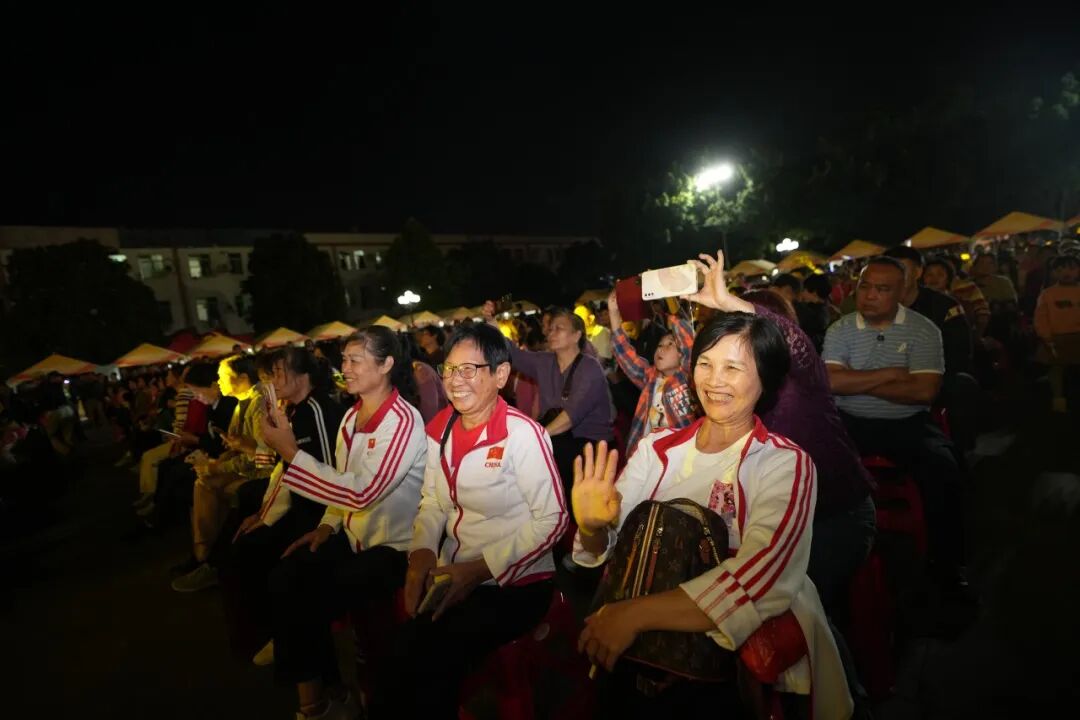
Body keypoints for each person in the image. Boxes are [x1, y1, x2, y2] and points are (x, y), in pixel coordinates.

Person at [571, 313, 851, 719]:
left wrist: (633, 614)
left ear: (766, 379)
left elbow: (762, 574)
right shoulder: (657, 449)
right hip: (641, 642)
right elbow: (602, 549)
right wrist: (590, 527)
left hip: (726, 657)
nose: (714, 380)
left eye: (733, 368)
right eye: (705, 363)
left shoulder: (783, 461)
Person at [375, 323, 567, 718]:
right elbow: (433, 502)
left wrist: (479, 569)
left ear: (500, 375)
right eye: (449, 369)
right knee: (400, 655)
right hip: (456, 574)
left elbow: (554, 519)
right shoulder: (439, 430)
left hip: (517, 583)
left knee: (436, 658)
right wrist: (422, 553)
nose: (454, 380)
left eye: (468, 370)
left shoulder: (523, 435)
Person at [689, 252, 875, 618]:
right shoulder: (728, 391)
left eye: (751, 334)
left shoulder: (802, 379)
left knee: (802, 612)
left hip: (833, 516)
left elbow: (795, 343)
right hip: (770, 524)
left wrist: (730, 302)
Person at [260, 327, 427, 720]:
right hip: (353, 538)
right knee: (285, 576)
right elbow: (342, 480)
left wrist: (291, 453)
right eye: (344, 360)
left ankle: (333, 697)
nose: (344, 368)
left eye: (355, 360)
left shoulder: (403, 421)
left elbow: (363, 492)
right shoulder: (351, 417)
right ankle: (318, 700)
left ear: (386, 365)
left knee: (308, 597)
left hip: (394, 547)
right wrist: (328, 525)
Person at [823, 256, 967, 589]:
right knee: (812, 467)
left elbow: (923, 392)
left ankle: (946, 565)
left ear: (902, 292)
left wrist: (856, 381)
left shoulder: (923, 329)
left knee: (943, 468)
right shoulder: (840, 329)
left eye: (882, 289)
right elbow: (831, 383)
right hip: (849, 422)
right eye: (865, 287)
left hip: (907, 423)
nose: (870, 295)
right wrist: (891, 374)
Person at [219, 347, 344, 663]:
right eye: (268, 375)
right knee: (244, 544)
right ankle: (268, 633)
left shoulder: (317, 409)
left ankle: (286, 641)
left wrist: (323, 525)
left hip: (322, 514)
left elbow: (331, 478)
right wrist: (264, 514)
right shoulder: (295, 411)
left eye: (277, 372)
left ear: (302, 374)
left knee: (276, 566)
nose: (271, 381)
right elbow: (284, 472)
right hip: (304, 507)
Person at [484, 301, 613, 499]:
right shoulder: (544, 361)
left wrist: (537, 437)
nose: (551, 333)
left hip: (588, 445)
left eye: (559, 328)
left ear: (577, 335)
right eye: (550, 329)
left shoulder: (590, 367)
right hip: (555, 439)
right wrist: (491, 321)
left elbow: (571, 415)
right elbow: (512, 354)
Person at [172, 354, 273, 592]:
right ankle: (205, 556)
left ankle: (207, 558)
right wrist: (217, 462)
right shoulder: (242, 402)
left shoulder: (258, 403)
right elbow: (239, 448)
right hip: (251, 467)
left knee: (208, 484)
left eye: (223, 376)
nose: (218, 381)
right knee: (203, 481)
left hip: (261, 474)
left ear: (243, 378)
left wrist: (217, 466)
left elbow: (261, 457)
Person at [607, 290, 696, 458]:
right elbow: (625, 354)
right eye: (660, 345)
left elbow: (688, 342)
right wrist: (613, 314)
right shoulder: (650, 378)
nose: (662, 348)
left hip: (677, 456)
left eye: (671, 344)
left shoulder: (686, 378)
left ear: (682, 355)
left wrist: (669, 299)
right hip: (646, 456)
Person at [884, 246, 973, 376]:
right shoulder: (875, 306)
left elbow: (958, 355)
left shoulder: (945, 307)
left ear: (918, 272)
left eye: (902, 270)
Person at [1034, 254, 1080, 413]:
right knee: (1056, 369)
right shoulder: (1047, 294)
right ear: (1053, 273)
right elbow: (1041, 317)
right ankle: (1058, 398)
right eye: (1060, 269)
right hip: (1056, 337)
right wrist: (1046, 336)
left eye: (1071, 268)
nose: (1066, 272)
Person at [922, 257, 991, 337]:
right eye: (929, 275)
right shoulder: (917, 300)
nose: (934, 278)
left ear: (948, 279)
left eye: (940, 274)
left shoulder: (953, 304)